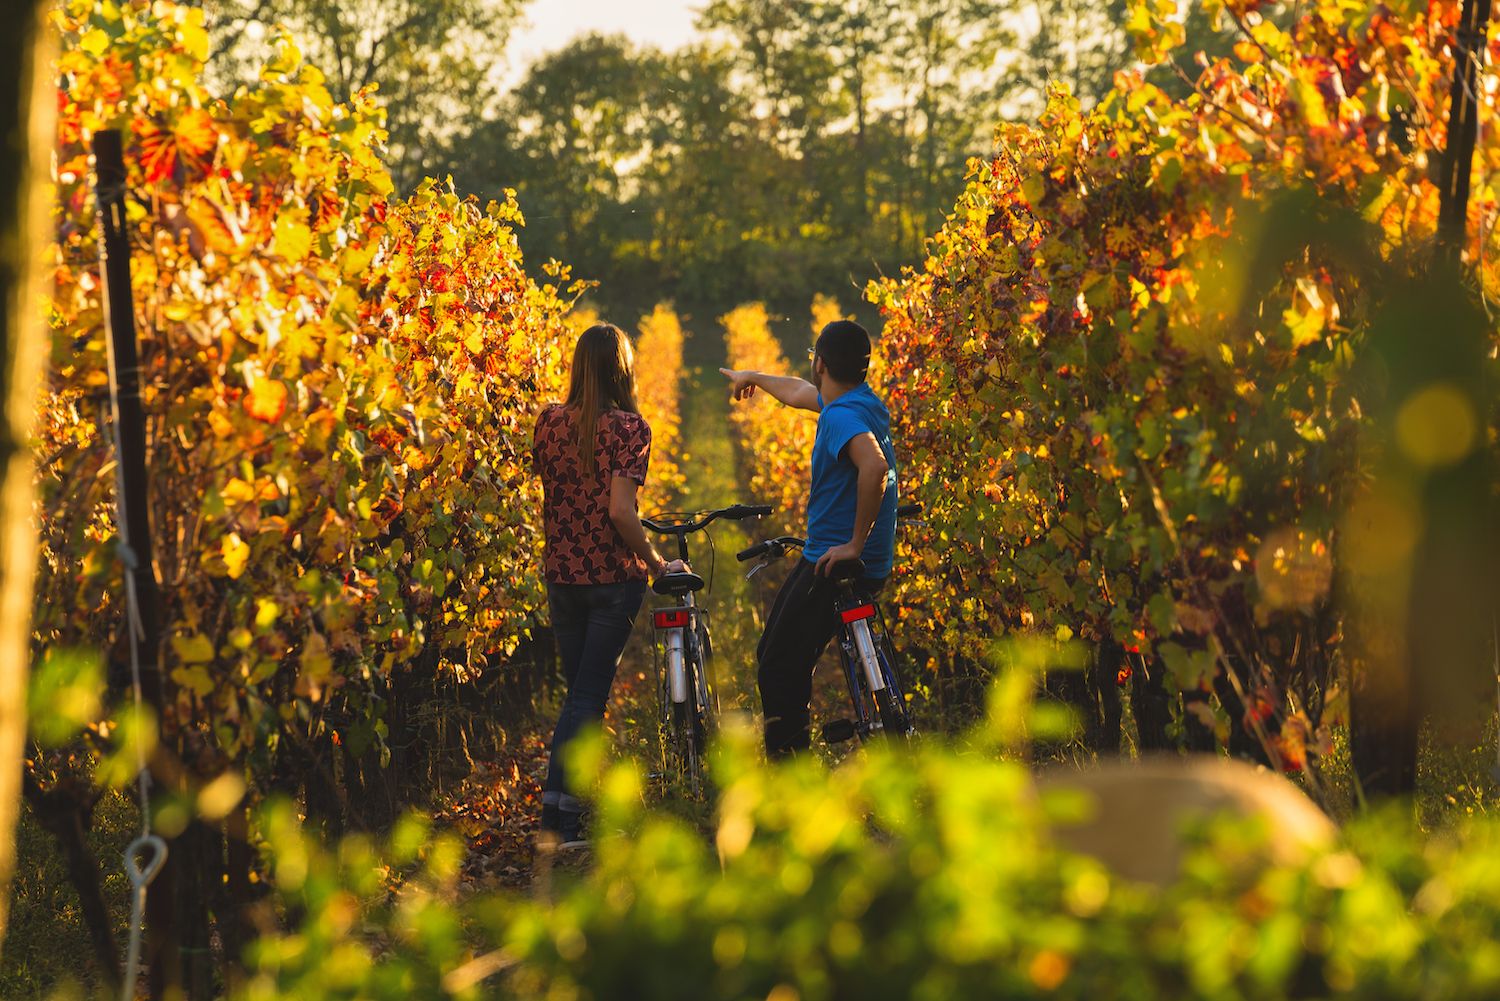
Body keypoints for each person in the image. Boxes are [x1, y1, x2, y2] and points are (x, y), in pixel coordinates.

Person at [533, 322, 685, 845]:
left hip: (561, 575)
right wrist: (655, 561)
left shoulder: (549, 421)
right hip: (610, 578)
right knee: (587, 699)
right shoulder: (629, 428)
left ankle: (560, 808)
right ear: (623, 369)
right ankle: (563, 820)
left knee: (578, 696)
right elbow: (620, 511)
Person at [720, 319, 899, 756]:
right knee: (782, 653)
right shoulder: (862, 402)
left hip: (835, 564)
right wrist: (756, 379)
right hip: (872, 564)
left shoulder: (840, 416)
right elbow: (801, 393)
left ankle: (789, 783)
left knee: (776, 664)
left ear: (820, 363)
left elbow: (874, 467)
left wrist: (854, 542)